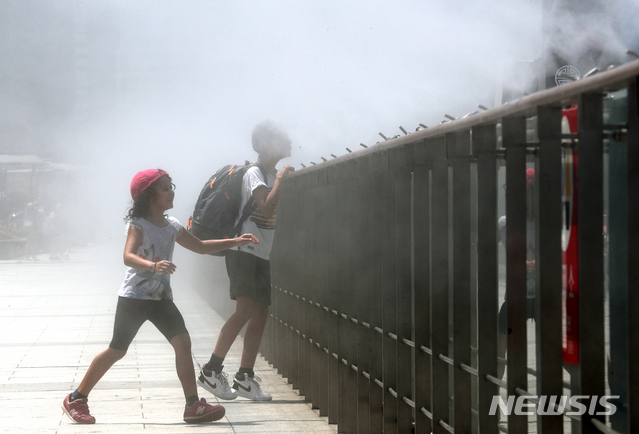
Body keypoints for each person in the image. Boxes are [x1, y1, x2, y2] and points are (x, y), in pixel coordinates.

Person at [61, 169, 258, 424]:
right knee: (117, 349)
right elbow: (127, 256)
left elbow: (199, 246)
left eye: (171, 186)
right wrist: (153, 266)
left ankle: (192, 405)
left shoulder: (172, 225)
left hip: (161, 299)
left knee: (183, 343)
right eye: (164, 188)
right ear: (148, 196)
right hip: (134, 298)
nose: (171, 191)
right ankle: (76, 398)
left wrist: (234, 241)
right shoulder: (138, 225)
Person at [198, 120, 295, 401]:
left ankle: (244, 377)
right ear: (266, 145)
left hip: (260, 252)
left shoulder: (268, 172)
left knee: (261, 313)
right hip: (244, 251)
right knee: (244, 311)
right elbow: (265, 205)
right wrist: (279, 180)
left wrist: (277, 177)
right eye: (282, 137)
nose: (289, 140)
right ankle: (210, 370)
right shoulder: (255, 172)